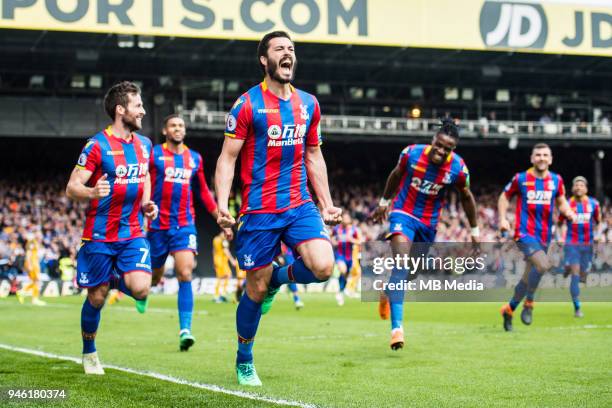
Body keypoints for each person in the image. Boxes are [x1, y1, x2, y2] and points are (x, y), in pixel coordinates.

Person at [215, 31, 342, 386]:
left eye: (292, 49)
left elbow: (314, 155)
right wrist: (222, 205)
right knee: (254, 290)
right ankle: (244, 358)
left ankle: (278, 278)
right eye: (279, 49)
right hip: (258, 211)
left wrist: (327, 203)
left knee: (323, 266)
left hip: (299, 204)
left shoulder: (309, 104)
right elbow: (227, 159)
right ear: (264, 60)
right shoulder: (246, 105)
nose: (288, 54)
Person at [65, 81, 159, 374]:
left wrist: (146, 203)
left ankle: (110, 280)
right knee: (96, 297)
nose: (143, 111)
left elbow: (143, 175)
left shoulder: (145, 145)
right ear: (121, 110)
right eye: (138, 106)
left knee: (142, 289)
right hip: (99, 235)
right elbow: (72, 187)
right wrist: (92, 193)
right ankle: (89, 352)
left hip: (131, 232)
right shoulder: (96, 146)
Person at [373, 119, 479, 350]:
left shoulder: (458, 169)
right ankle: (397, 329)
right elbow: (396, 174)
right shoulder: (411, 154)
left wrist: (474, 230)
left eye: (447, 148)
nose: (441, 151)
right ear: (433, 140)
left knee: (411, 273)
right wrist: (384, 202)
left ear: (453, 150)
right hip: (402, 214)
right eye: (439, 144)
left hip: (428, 225)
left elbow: (466, 197)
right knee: (401, 266)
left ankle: (387, 291)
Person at [147, 113, 228, 351]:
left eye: (181, 125)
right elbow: (145, 183)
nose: (178, 128)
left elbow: (203, 192)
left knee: (185, 272)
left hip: (184, 223)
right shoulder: (154, 155)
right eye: (173, 125)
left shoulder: (194, 159)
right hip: (157, 225)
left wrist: (219, 216)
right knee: (154, 275)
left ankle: (185, 330)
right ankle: (148, 287)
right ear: (165, 131)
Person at [499, 143, 576, 331]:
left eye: (545, 155)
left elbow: (562, 202)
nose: (541, 158)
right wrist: (502, 219)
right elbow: (504, 197)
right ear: (532, 158)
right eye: (538, 155)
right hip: (524, 233)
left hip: (544, 236)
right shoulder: (521, 178)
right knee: (543, 265)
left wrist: (568, 212)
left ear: (550, 159)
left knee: (527, 278)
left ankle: (509, 309)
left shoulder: (556, 180)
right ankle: (530, 304)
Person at [558, 176, 601, 317]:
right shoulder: (566, 205)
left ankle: (567, 267)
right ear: (572, 188)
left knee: (584, 275)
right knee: (576, 276)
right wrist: (560, 237)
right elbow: (559, 224)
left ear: (586, 188)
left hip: (588, 244)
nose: (578, 187)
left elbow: (598, 222)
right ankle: (577, 307)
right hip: (572, 243)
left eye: (581, 185)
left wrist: (599, 234)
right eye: (576, 185)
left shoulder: (594, 204)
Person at [330, 213, 362, 306]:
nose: (345, 219)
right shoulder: (337, 229)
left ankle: (340, 292)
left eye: (347, 218)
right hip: (340, 255)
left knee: (346, 274)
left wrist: (352, 240)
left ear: (350, 219)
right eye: (343, 218)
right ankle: (343, 291)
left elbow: (360, 241)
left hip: (350, 257)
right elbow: (331, 236)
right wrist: (333, 241)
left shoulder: (354, 230)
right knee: (343, 270)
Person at [16, 232, 46, 305]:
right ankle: (31, 297)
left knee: (35, 281)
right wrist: (29, 264)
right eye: (39, 235)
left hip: (35, 263)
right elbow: (28, 253)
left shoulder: (36, 243)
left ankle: (24, 293)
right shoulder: (32, 242)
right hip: (32, 263)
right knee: (36, 281)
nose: (41, 237)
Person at [213, 231, 236, 303]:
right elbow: (226, 250)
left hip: (217, 260)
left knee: (223, 276)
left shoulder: (215, 239)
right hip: (222, 261)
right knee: (226, 276)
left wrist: (214, 260)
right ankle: (220, 295)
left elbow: (213, 250)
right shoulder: (223, 240)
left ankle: (220, 294)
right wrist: (232, 260)